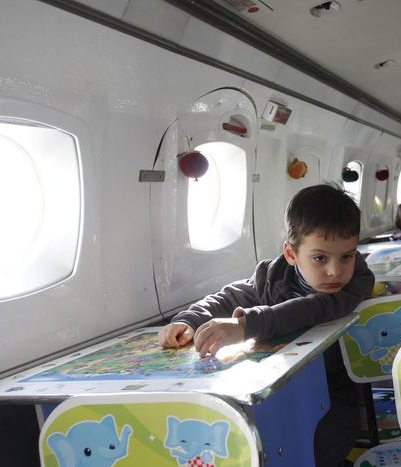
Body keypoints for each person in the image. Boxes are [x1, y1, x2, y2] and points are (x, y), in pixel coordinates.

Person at [159, 183, 376, 466]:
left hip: (336, 396)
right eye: (320, 258)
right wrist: (188, 321)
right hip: (277, 395)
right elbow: (227, 297)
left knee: (316, 456)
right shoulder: (271, 279)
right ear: (291, 254)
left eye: (346, 256)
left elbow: (313, 308)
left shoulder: (356, 282)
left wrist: (245, 326)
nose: (335, 270)